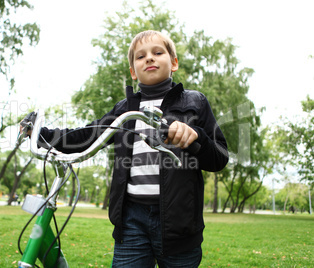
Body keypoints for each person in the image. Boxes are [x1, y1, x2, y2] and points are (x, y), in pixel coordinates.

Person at [24, 30, 228, 267]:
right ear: (133, 71)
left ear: (174, 63)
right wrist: (43, 134)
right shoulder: (124, 108)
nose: (149, 58)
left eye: (157, 52)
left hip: (180, 224)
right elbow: (87, 135)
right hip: (131, 220)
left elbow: (219, 158)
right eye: (140, 57)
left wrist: (196, 138)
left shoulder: (195, 102)